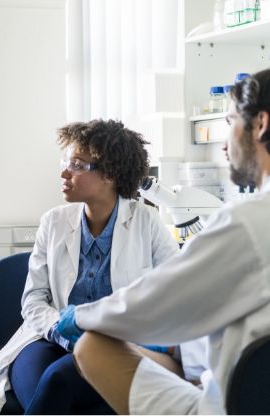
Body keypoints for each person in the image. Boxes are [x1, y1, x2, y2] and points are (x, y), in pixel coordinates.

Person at [57, 68, 270, 415]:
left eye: (230, 121)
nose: (224, 144)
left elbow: (162, 301)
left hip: (230, 405)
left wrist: (81, 316)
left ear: (260, 124)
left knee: (92, 346)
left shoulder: (250, 221)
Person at [0, 119, 205, 415]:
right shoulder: (53, 222)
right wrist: (58, 327)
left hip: (113, 344)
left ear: (110, 174)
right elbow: (33, 300)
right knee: (47, 384)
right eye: (67, 163)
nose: (64, 173)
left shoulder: (146, 222)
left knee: (57, 381)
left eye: (78, 165)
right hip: (47, 338)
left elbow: (175, 294)